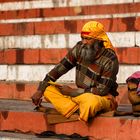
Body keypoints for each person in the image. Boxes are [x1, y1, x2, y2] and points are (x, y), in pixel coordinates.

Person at [31, 21, 119, 122]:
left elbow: (102, 90)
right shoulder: (79, 48)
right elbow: (59, 69)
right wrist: (40, 90)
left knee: (91, 102)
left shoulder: (110, 60)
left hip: (102, 98)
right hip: (79, 96)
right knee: (48, 89)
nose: (84, 42)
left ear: (98, 40)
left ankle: (72, 110)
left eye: (88, 39)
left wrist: (72, 92)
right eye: (82, 38)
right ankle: (77, 111)